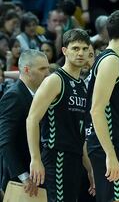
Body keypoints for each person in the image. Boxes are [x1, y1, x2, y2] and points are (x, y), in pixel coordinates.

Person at [26, 29, 93, 202]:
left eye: (85, 49)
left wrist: (89, 168)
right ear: (64, 51)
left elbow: (81, 133)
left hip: (75, 157)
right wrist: (35, 159)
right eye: (75, 48)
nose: (81, 53)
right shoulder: (55, 80)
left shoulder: (83, 86)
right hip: (57, 155)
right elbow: (32, 119)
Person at [85, 9, 119, 202]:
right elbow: (96, 110)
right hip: (109, 144)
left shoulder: (110, 60)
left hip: (116, 142)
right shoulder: (111, 61)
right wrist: (110, 154)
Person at [0, 49, 49, 197]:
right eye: (42, 69)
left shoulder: (39, 94)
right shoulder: (14, 96)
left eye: (47, 68)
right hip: (21, 180)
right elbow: (5, 141)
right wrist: (24, 176)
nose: (47, 73)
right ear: (27, 70)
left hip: (38, 176)